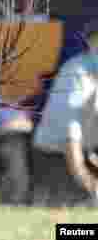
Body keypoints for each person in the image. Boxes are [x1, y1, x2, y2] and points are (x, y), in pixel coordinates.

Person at [32, 18, 98, 206]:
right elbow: (71, 136)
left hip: (89, 152)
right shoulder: (77, 73)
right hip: (58, 157)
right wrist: (89, 183)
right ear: (92, 43)